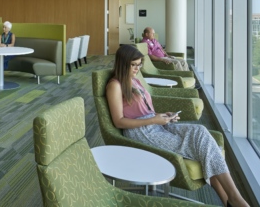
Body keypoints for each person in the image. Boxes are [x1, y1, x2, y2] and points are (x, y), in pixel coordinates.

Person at [106, 44, 249, 207]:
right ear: (123, 63)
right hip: (140, 132)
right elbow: (118, 121)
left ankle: (231, 200)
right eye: (133, 65)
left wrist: (163, 115)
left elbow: (144, 109)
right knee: (203, 148)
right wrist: (153, 120)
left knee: (200, 132)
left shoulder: (135, 80)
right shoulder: (115, 85)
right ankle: (235, 199)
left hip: (156, 124)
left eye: (139, 64)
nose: (137, 68)